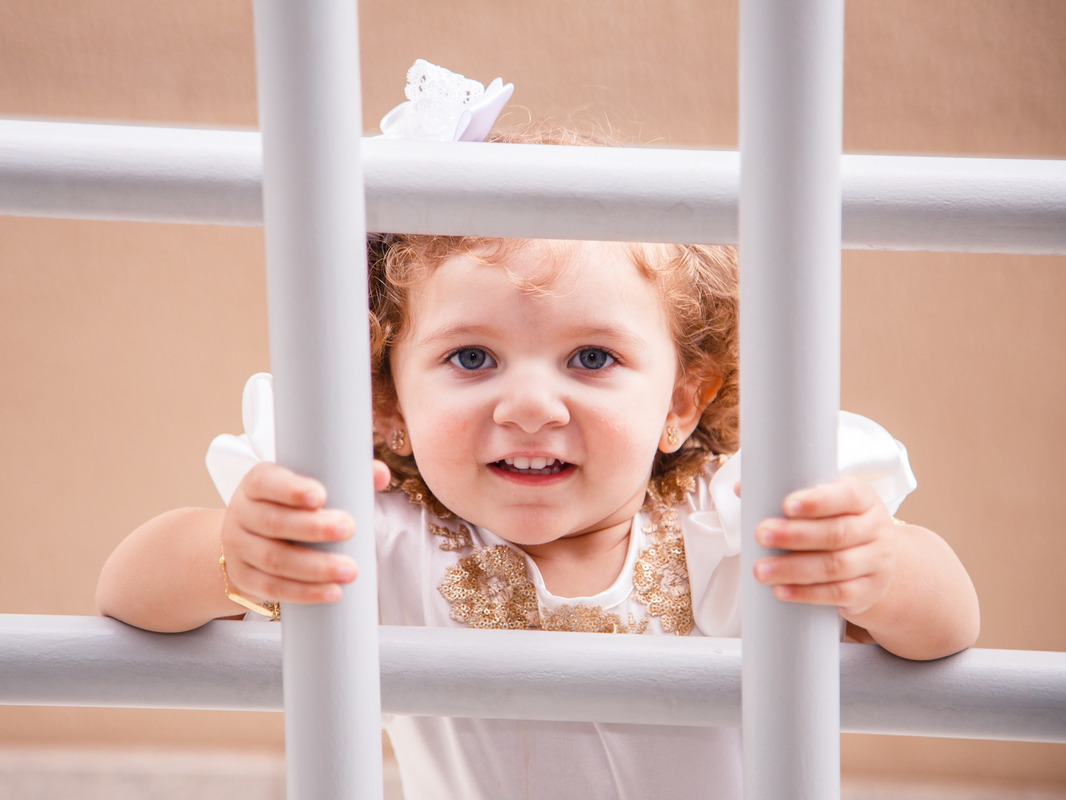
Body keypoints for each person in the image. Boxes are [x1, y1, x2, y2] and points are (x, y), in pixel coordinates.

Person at [95, 63, 979, 800]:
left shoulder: (733, 527)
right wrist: (234, 550)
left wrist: (881, 566)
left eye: (591, 360)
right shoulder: (381, 542)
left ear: (681, 403)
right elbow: (129, 593)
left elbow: (947, 626)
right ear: (389, 406)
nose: (528, 407)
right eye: (472, 359)